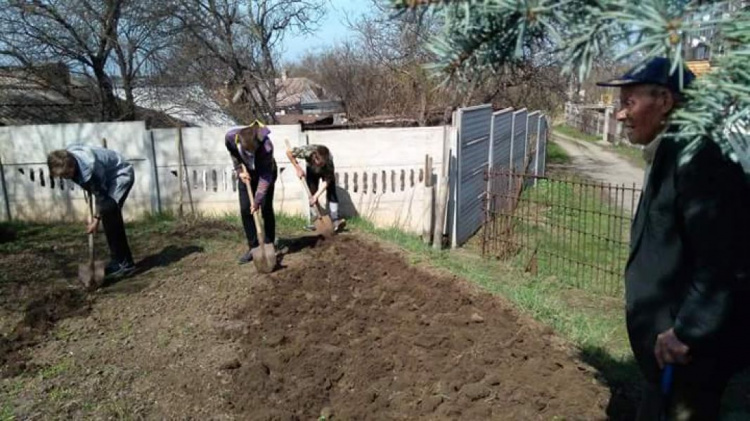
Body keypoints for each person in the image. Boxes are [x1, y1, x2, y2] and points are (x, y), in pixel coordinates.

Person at [598, 57, 750, 420]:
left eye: (628, 102)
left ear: (665, 101)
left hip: (686, 358)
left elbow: (724, 262)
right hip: (669, 358)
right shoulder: (671, 149)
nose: (619, 115)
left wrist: (687, 331)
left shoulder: (699, 157)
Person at [47, 145, 136, 278]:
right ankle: (117, 261)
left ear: (72, 166)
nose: (65, 178)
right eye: (62, 176)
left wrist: (96, 220)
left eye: (66, 174)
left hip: (120, 174)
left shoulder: (91, 169)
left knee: (110, 212)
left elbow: (101, 196)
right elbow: (94, 189)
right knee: (108, 215)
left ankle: (126, 264)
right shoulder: (67, 158)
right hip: (106, 176)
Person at [225, 122, 278, 264]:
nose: (250, 155)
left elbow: (266, 177)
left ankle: (269, 243)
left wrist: (257, 200)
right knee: (245, 209)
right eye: (247, 152)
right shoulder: (231, 137)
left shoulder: (266, 147)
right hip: (246, 173)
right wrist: (239, 170)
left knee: (266, 207)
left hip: (265, 172)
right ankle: (253, 247)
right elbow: (233, 152)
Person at [288, 144, 346, 232]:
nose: (320, 164)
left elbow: (327, 181)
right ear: (314, 156)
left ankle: (335, 220)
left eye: (322, 163)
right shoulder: (307, 151)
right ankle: (316, 220)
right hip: (311, 169)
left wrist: (316, 196)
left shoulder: (328, 162)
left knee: (331, 191)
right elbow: (289, 153)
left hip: (326, 172)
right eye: (319, 162)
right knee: (311, 194)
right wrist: (298, 168)